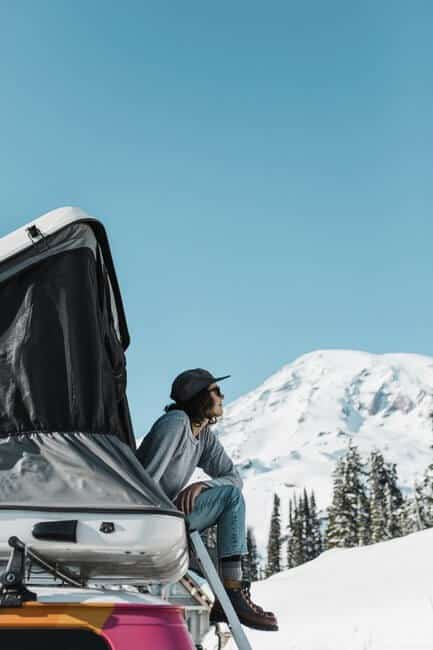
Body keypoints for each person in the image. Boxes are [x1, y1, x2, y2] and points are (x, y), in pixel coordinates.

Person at [136, 368, 278, 632]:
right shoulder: (175, 423)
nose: (223, 396)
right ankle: (233, 598)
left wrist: (205, 485)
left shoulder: (203, 436)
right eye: (216, 391)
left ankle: (229, 599)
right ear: (198, 397)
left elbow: (233, 477)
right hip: (149, 516)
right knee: (230, 498)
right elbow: (145, 481)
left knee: (218, 560)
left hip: (168, 516)